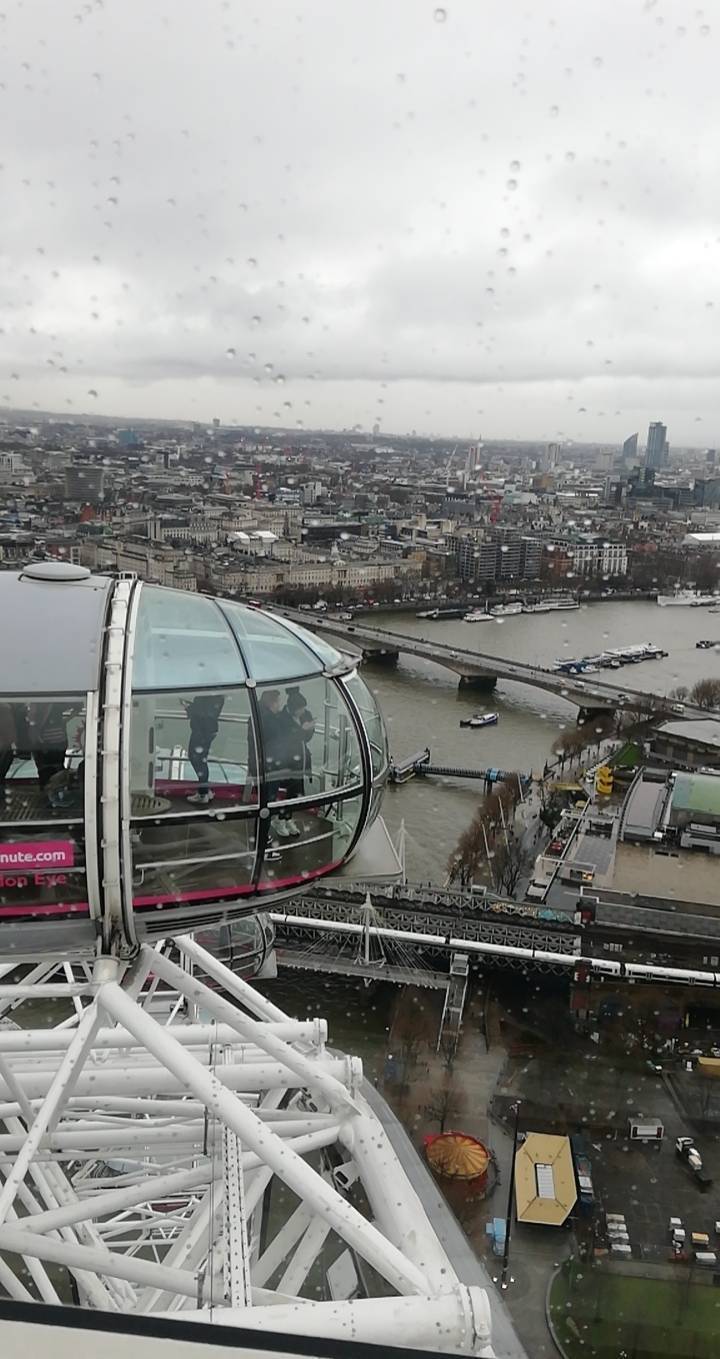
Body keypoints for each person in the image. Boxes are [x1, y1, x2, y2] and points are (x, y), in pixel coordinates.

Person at [183, 694, 225, 804]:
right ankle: (205, 790)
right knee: (201, 760)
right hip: (209, 729)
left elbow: (201, 713)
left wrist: (189, 708)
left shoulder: (206, 695)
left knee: (196, 759)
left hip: (201, 731)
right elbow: (208, 712)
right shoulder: (218, 697)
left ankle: (203, 794)